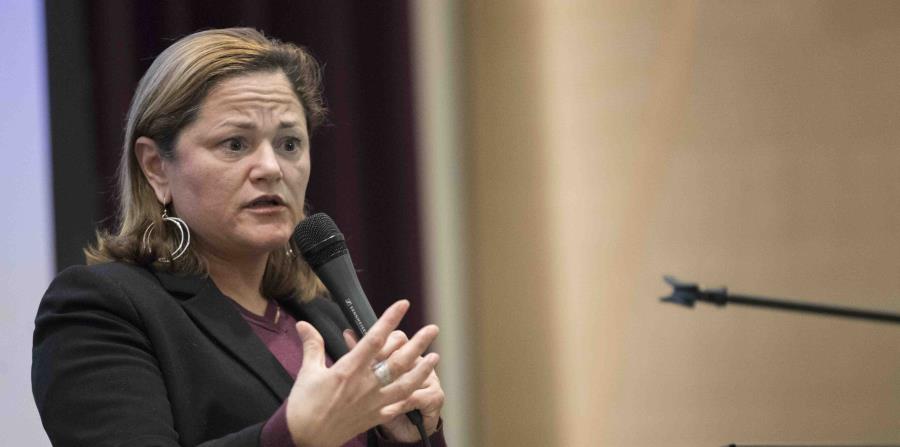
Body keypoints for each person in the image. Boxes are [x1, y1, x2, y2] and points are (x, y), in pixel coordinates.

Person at [32, 28, 446, 447]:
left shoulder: (326, 320)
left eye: (289, 144)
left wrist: (407, 436)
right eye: (235, 144)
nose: (271, 168)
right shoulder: (101, 309)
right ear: (156, 167)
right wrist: (294, 435)